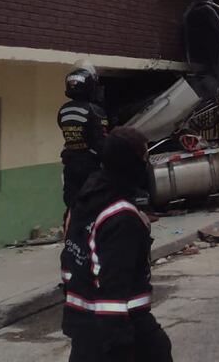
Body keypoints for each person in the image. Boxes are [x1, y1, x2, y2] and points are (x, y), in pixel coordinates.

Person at [61, 127, 171, 362]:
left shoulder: (83, 202)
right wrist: (120, 346)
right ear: (129, 163)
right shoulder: (122, 218)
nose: (145, 164)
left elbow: (70, 261)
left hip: (82, 326)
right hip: (119, 330)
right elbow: (113, 288)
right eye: (143, 158)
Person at [59, 66, 109, 209]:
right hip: (90, 165)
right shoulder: (95, 110)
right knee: (95, 204)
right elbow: (102, 141)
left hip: (70, 163)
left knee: (72, 204)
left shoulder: (63, 110)